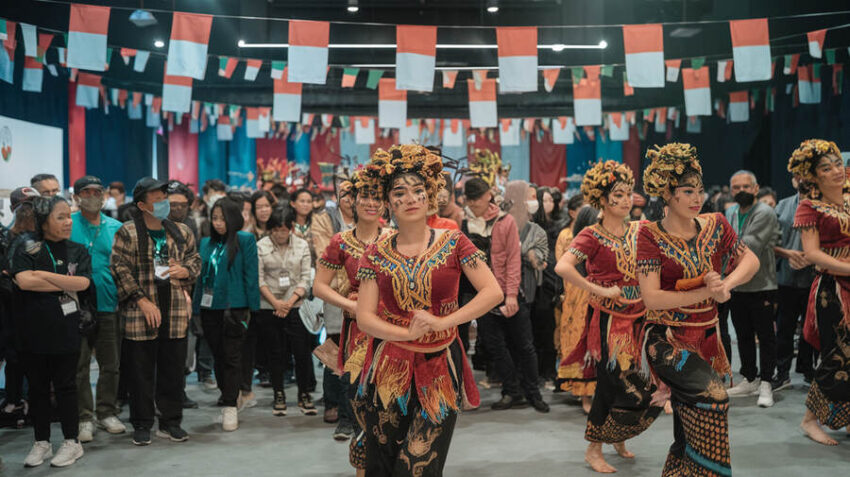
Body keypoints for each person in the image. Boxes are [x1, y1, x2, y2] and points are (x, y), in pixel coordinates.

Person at [355, 145, 503, 476]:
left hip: (440, 365)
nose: (410, 198)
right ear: (388, 202)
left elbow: (493, 291)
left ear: (429, 195)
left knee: (420, 464)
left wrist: (443, 321)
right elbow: (365, 317)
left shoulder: (454, 241)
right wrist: (405, 332)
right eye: (400, 192)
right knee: (383, 462)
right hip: (389, 368)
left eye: (418, 190)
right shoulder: (375, 253)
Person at [637, 143, 759, 476]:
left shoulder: (717, 223)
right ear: (667, 193)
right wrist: (706, 290)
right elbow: (652, 298)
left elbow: (751, 259)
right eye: (687, 191)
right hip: (666, 338)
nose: (697, 197)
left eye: (700, 190)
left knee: (686, 421)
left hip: (708, 337)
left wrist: (726, 286)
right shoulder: (648, 234)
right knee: (715, 398)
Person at [556, 161, 662, 473]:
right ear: (603, 200)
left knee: (644, 380)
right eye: (618, 194)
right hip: (608, 319)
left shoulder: (640, 230)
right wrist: (598, 290)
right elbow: (562, 267)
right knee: (610, 382)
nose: (627, 199)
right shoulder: (591, 235)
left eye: (629, 193)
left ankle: (619, 435)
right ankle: (593, 449)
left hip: (641, 315)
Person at [111, 177, 200, 446]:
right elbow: (119, 268)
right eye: (157, 199)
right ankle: (141, 423)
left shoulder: (181, 231)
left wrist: (187, 271)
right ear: (142, 205)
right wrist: (140, 299)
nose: (164, 202)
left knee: (173, 371)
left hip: (174, 311)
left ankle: (171, 421)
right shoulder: (127, 232)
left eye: (165, 196)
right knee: (140, 373)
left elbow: (195, 261)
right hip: (141, 313)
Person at [13, 196, 92, 467]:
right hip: (30, 330)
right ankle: (42, 443)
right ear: (44, 220)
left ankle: (72, 442)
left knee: (66, 386)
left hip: (66, 329)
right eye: (61, 217)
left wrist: (42, 277)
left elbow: (82, 282)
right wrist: (62, 283)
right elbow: (23, 281)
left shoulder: (77, 250)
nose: (68, 221)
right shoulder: (25, 245)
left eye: (69, 215)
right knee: (37, 389)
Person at [314, 169, 385, 471]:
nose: (372, 203)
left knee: (390, 408)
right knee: (359, 405)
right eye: (365, 196)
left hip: (391, 333)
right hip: (356, 332)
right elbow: (319, 285)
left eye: (378, 197)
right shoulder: (340, 241)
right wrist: (350, 305)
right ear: (352, 201)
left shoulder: (395, 239)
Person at [463, 178, 549, 412]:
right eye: (470, 201)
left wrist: (511, 295)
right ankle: (511, 391)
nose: (475, 204)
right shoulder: (464, 223)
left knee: (524, 345)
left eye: (478, 200)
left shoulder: (505, 221)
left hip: (509, 292)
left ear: (487, 197)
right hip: (480, 295)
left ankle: (533, 392)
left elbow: (513, 260)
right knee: (495, 346)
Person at [786, 139, 850, 446]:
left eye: (838, 163)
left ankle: (846, 417)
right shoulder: (809, 207)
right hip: (834, 290)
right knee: (836, 355)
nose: (837, 171)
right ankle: (810, 420)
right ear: (814, 176)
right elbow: (811, 254)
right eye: (827, 168)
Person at [194, 197, 260, 431]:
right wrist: (195, 311)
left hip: (237, 308)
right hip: (209, 308)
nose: (218, 223)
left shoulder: (245, 240)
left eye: (223, 218)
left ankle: (231, 405)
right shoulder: (205, 243)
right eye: (215, 218)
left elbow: (251, 276)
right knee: (218, 357)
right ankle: (228, 396)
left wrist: (254, 310)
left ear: (233, 218)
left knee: (232, 357)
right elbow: (200, 280)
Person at [69, 176, 127, 442]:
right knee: (80, 364)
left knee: (110, 363)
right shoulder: (68, 225)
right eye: (87, 191)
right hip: (76, 306)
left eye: (97, 191)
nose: (93, 195)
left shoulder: (116, 227)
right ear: (78, 196)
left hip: (108, 303)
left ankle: (106, 412)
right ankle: (84, 417)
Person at [725, 171, 780, 407]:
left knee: (766, 336)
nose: (741, 191)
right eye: (736, 187)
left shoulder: (764, 212)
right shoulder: (731, 212)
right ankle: (749, 378)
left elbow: (749, 245)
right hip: (737, 285)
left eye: (746, 186)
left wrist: (719, 247)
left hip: (762, 285)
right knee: (743, 334)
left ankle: (767, 382)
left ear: (756, 188)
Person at [255, 208, 315, 415]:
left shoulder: (302, 245)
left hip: (296, 305)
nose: (280, 234)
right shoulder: (260, 246)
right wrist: (276, 303)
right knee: (275, 353)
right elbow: (259, 279)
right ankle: (278, 392)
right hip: (269, 305)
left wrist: (289, 302)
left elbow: (306, 278)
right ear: (270, 229)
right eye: (276, 230)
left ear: (290, 228)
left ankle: (304, 393)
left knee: (302, 352)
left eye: (283, 230)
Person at [772, 177, 816, 390]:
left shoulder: (825, 205)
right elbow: (771, 243)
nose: (804, 180)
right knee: (784, 328)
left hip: (814, 277)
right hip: (786, 278)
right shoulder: (782, 206)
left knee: (811, 328)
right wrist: (787, 254)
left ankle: (808, 369)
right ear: (793, 180)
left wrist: (813, 257)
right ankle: (782, 372)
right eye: (800, 176)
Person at [1, 187, 40, 420]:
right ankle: (15, 402)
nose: (29, 212)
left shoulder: (46, 238)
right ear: (13, 209)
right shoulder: (5, 239)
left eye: (33, 206)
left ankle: (37, 402)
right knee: (14, 360)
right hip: (10, 312)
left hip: (39, 310)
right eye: (24, 206)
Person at [555, 204, 598, 412]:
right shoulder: (572, 242)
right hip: (578, 299)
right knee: (581, 342)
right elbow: (561, 268)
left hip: (597, 297)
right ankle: (585, 394)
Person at [166, 180, 202, 410]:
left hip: (187, 291)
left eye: (182, 204)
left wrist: (187, 274)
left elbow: (195, 259)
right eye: (173, 204)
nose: (178, 209)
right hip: (160, 290)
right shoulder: (156, 224)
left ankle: (179, 391)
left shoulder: (190, 225)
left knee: (184, 347)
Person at [532, 186, 565, 385]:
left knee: (552, 326)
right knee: (537, 326)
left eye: (550, 200)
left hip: (554, 279)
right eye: (543, 200)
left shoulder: (560, 226)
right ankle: (536, 370)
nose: (547, 204)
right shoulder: (530, 226)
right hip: (535, 281)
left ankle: (549, 370)